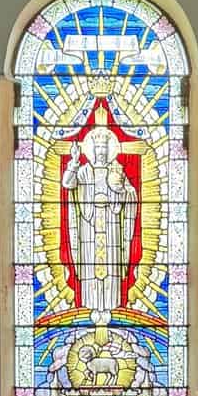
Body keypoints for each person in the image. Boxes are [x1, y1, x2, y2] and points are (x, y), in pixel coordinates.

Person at [61, 107, 140, 327]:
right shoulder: (84, 170)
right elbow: (67, 183)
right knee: (91, 266)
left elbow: (131, 195)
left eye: (105, 147)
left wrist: (122, 188)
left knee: (111, 265)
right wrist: (74, 161)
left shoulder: (117, 169)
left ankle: (111, 304)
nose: (102, 151)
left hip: (112, 223)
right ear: (92, 150)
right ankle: (91, 303)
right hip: (89, 224)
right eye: (98, 148)